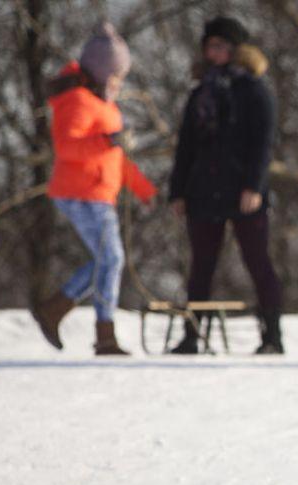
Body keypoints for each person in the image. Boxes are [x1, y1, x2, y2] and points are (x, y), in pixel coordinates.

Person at [32, 24, 156, 356]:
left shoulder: (103, 105)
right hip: (81, 192)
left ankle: (59, 310)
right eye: (116, 75)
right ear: (102, 72)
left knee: (108, 260)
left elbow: (116, 160)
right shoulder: (77, 100)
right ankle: (100, 332)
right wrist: (106, 141)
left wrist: (144, 190)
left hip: (98, 192)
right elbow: (68, 147)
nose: (119, 82)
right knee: (111, 259)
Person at [167, 17, 283, 355]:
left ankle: (272, 335)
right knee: (201, 263)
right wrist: (178, 191)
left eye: (221, 45)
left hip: (243, 189)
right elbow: (186, 146)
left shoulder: (255, 91)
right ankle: (192, 333)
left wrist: (254, 186)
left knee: (257, 260)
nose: (213, 52)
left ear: (237, 50)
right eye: (210, 46)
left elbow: (263, 144)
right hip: (204, 188)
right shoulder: (200, 93)